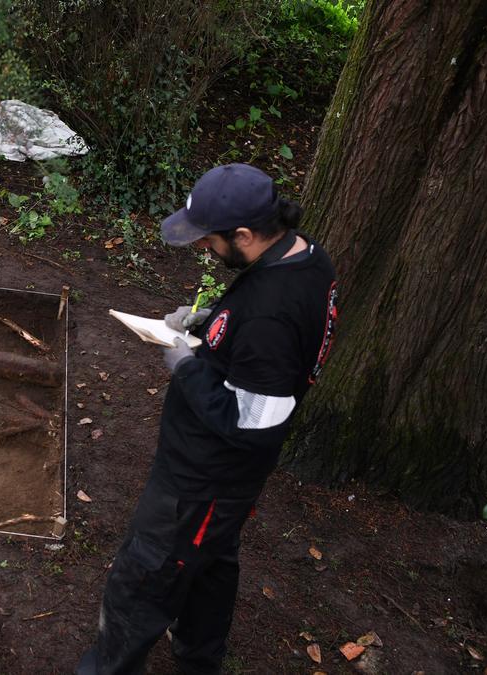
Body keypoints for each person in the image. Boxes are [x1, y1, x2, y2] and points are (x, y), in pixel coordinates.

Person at [79, 163, 339, 674]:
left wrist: (186, 366)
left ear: (244, 234)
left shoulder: (270, 314)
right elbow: (264, 343)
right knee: (211, 562)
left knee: (144, 577)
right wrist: (212, 325)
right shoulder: (304, 257)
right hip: (222, 489)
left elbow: (256, 424)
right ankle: (199, 660)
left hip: (202, 482)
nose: (203, 248)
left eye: (209, 240)